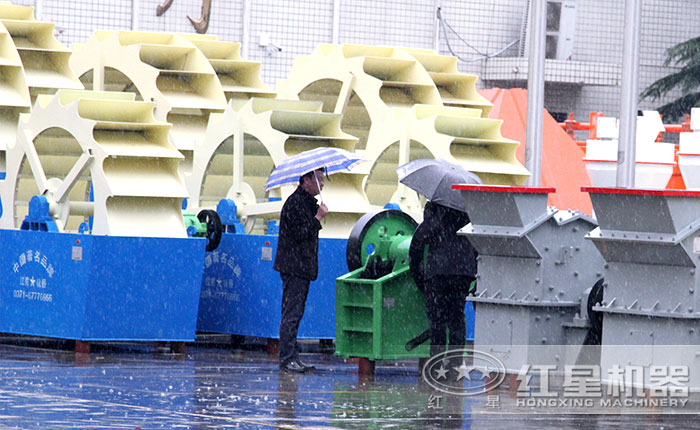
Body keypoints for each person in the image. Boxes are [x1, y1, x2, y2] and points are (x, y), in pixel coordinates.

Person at [273, 168, 328, 372]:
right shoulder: (295, 203)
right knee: (291, 313)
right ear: (306, 180)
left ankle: (292, 356)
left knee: (295, 313)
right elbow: (300, 233)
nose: (322, 184)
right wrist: (318, 217)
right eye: (319, 180)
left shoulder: (305, 202)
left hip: (301, 266)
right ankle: (287, 358)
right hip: (294, 266)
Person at [417, 201, 477, 360]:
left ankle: (436, 364)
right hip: (463, 273)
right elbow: (478, 248)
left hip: (438, 273)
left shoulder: (435, 211)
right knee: (457, 317)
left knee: (437, 321)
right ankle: (455, 364)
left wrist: (420, 279)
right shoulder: (469, 213)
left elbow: (417, 244)